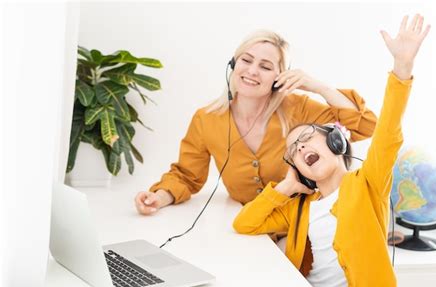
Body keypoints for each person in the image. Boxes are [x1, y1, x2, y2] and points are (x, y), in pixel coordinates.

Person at [233, 15, 430, 287]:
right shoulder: (301, 206)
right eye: (294, 150)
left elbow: (388, 129)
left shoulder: (366, 184)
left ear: (337, 143)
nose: (300, 147)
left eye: (308, 138)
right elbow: (244, 224)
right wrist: (286, 186)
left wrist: (402, 68)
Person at [135, 29, 378, 214]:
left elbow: (362, 127)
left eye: (265, 66)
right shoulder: (206, 119)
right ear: (233, 64)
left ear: (279, 76)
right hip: (247, 225)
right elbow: (186, 176)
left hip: (302, 226)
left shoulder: (299, 109)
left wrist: (317, 86)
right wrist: (160, 197)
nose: (252, 71)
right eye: (246, 60)